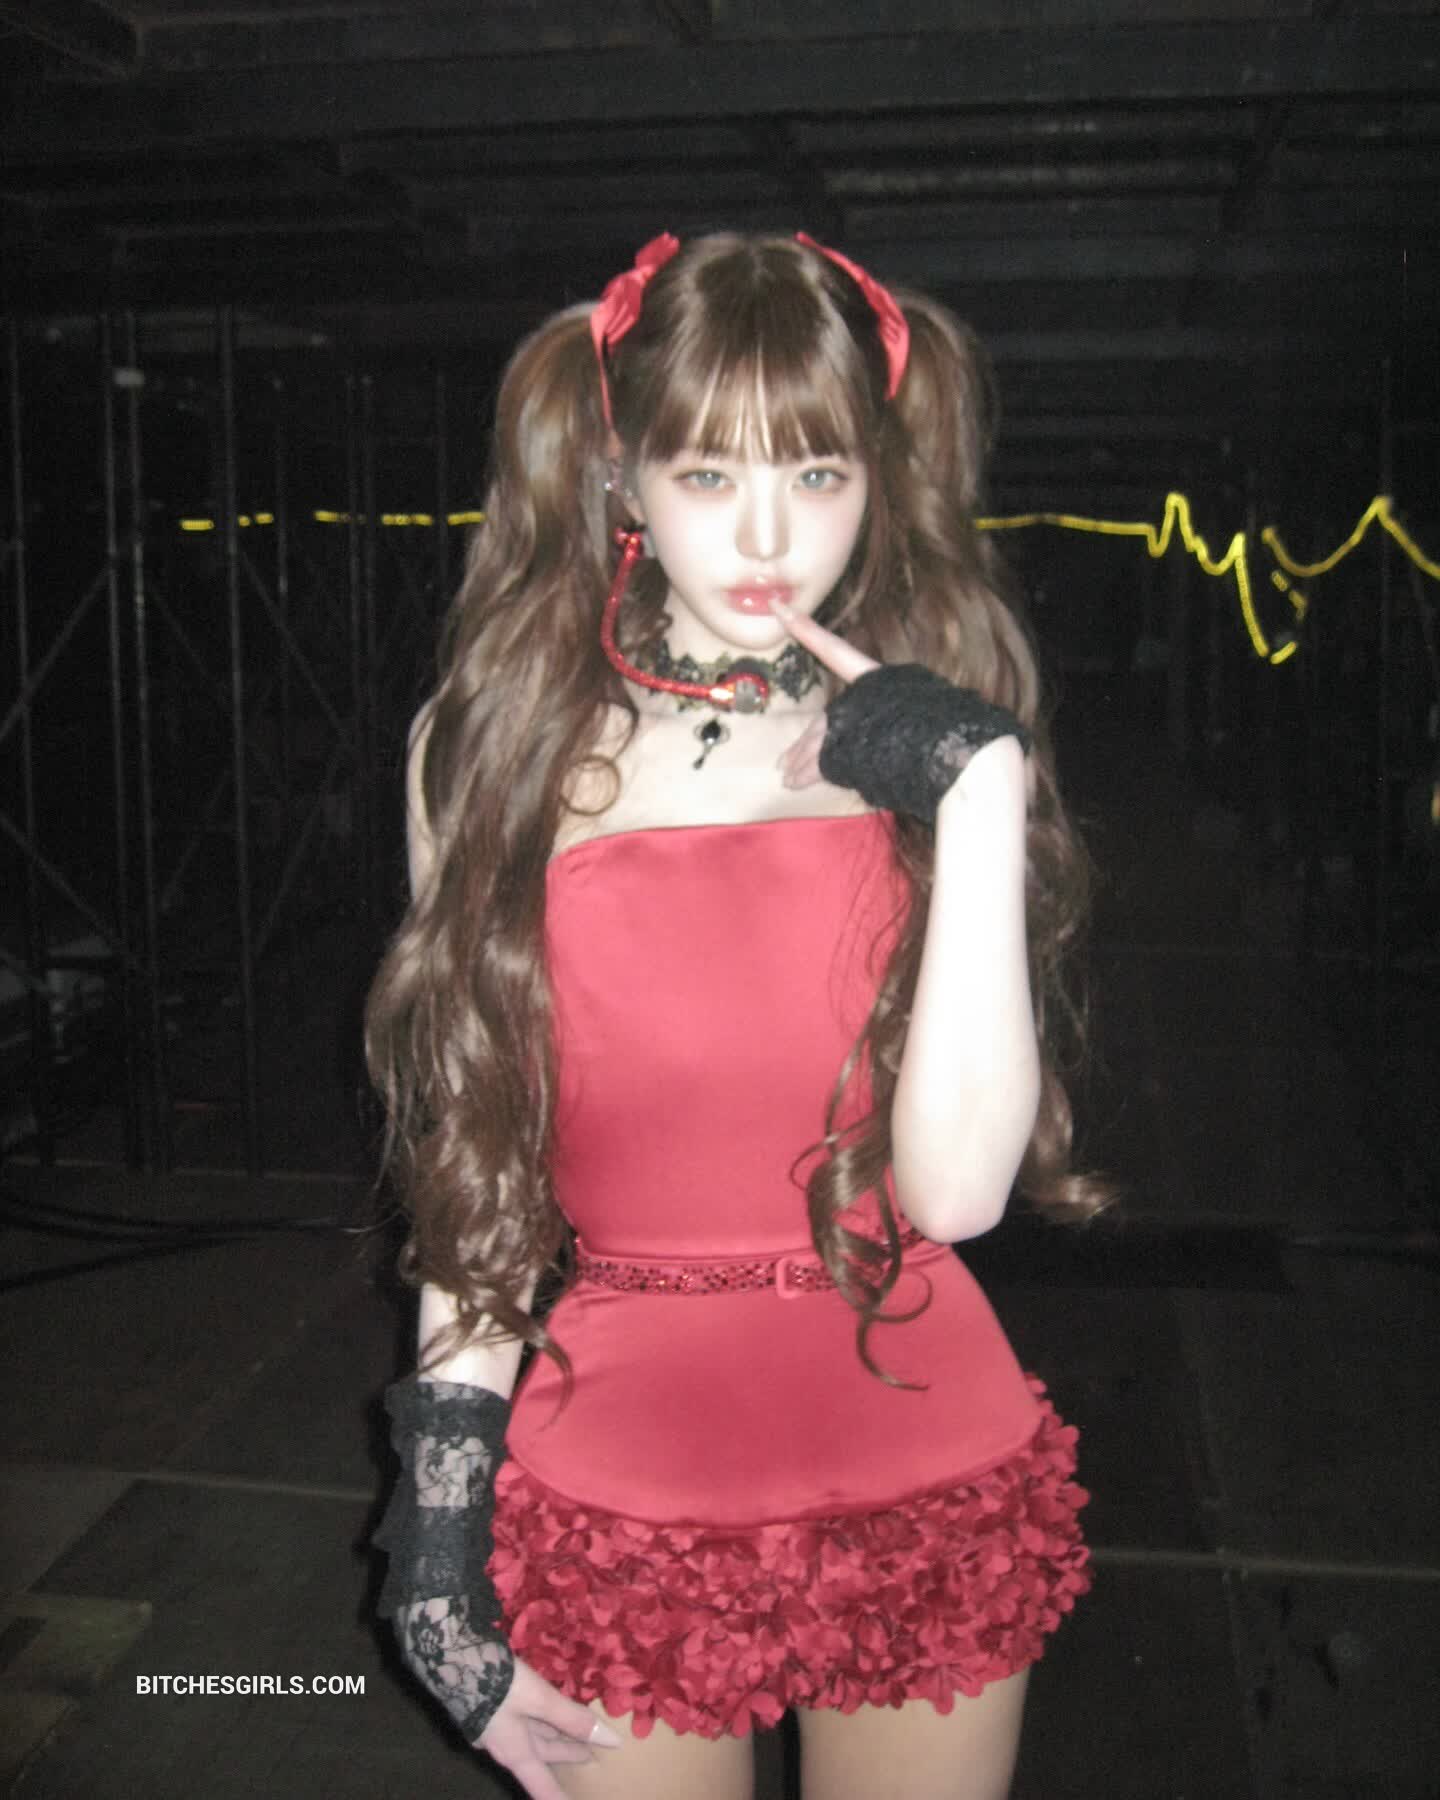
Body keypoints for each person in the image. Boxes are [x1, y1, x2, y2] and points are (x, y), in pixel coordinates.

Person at [365, 230, 1104, 1800]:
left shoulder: (933, 745)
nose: (770, 536)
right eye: (710, 474)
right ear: (622, 474)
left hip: (922, 1457)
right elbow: (475, 1180)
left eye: (817, 473)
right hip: (619, 1472)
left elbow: (957, 1198)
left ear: (877, 478)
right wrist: (435, 1549)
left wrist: (982, 797)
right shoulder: (490, 755)